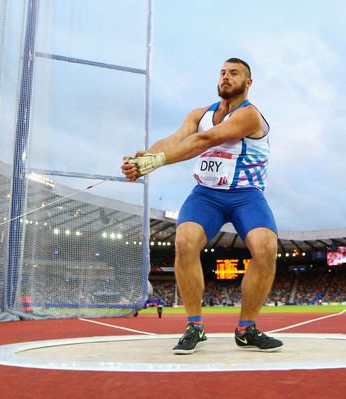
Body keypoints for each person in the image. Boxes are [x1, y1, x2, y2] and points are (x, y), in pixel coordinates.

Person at [122, 58, 283, 355]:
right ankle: (194, 325)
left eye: (234, 73)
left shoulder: (250, 116)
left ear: (248, 83)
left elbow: (206, 139)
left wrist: (156, 162)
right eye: (222, 72)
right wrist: (143, 158)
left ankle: (246, 329)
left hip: (246, 194)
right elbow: (176, 139)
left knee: (266, 248)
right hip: (207, 195)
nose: (226, 77)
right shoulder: (200, 113)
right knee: (184, 242)